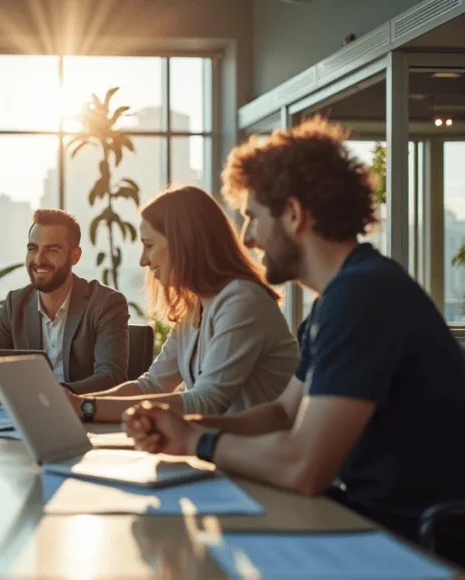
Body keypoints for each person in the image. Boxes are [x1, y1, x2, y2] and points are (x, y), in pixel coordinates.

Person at [124, 117, 465, 562]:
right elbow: (284, 413)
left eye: (252, 218)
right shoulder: (337, 300)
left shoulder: (363, 296)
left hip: (410, 542)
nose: (247, 237)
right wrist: (189, 429)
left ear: (292, 214)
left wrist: (194, 443)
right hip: (365, 519)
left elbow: (304, 468)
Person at [63, 186, 299, 422]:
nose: (143, 260)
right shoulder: (193, 307)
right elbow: (152, 385)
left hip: (265, 451)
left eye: (149, 245)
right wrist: (79, 406)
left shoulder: (242, 300)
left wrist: (86, 407)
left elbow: (205, 402)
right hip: (226, 447)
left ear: (183, 243)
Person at [0, 209, 130, 400]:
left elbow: (111, 377)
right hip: (22, 417)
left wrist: (51, 393)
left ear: (75, 256)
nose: (38, 260)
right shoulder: (15, 304)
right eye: (32, 249)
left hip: (83, 417)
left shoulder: (105, 303)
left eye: (52, 250)